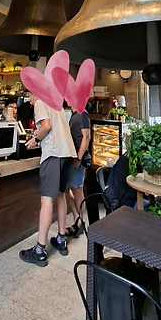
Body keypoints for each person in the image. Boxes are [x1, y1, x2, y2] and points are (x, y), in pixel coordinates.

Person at [20, 91, 76, 266]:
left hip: (53, 155)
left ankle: (39, 250)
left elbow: (46, 125)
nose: (29, 99)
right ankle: (61, 239)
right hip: (67, 153)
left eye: (29, 95)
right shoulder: (56, 103)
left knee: (46, 201)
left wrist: (35, 140)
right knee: (60, 195)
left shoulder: (39, 103)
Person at [65, 99, 92, 237]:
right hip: (72, 158)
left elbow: (86, 137)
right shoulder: (74, 114)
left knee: (77, 191)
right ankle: (78, 220)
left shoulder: (82, 113)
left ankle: (80, 222)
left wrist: (78, 158)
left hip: (78, 160)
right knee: (66, 190)